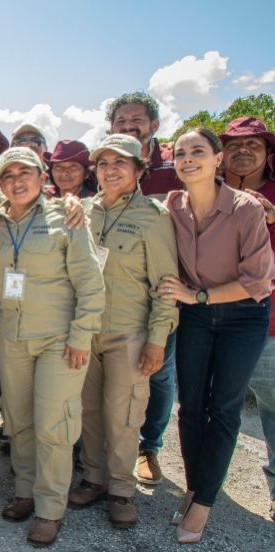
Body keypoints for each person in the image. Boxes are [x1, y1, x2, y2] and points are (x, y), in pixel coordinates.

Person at [158, 128, 275, 543]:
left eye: (199, 152)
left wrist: (197, 294)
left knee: (224, 408)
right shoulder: (171, 205)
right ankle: (194, 487)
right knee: (190, 407)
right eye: (182, 153)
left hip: (244, 314)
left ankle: (204, 503)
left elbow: (260, 280)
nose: (188, 159)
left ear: (217, 158)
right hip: (196, 315)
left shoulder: (246, 209)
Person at [0, 147, 104, 547]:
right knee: (19, 421)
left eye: (26, 173)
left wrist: (81, 336)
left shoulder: (67, 218)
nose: (16, 181)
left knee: (55, 427)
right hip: (11, 338)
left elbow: (91, 283)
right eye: (7, 175)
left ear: (42, 178)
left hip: (59, 341)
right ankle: (24, 491)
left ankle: (49, 509)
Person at [68, 134, 178, 529]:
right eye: (103, 163)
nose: (110, 170)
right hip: (86, 331)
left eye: (120, 163)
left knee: (124, 414)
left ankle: (121, 489)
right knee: (91, 411)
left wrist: (157, 338)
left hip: (128, 333)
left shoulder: (154, 216)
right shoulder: (80, 210)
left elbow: (166, 284)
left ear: (138, 170)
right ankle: (94, 479)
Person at [107, 91, 181, 485]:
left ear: (154, 125)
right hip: (120, 299)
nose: (130, 125)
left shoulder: (175, 171)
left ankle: (148, 448)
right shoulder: (106, 168)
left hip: (169, 288)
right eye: (121, 121)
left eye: (137, 119)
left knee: (159, 375)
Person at [220, 116, 275, 522]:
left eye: (253, 145)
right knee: (214, 406)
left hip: (270, 324)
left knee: (272, 408)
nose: (243, 151)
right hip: (212, 317)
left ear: (267, 152)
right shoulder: (209, 191)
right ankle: (202, 489)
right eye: (235, 144)